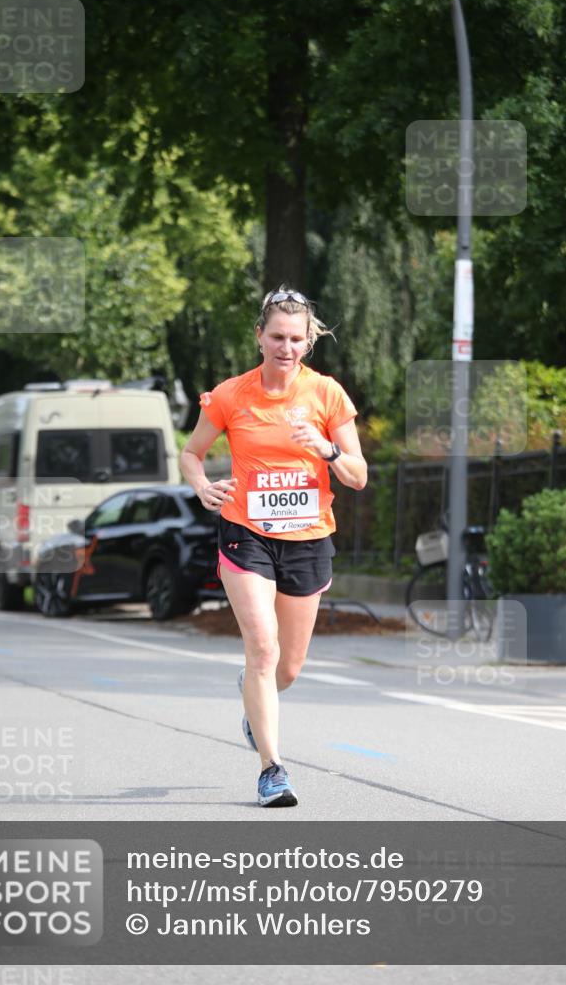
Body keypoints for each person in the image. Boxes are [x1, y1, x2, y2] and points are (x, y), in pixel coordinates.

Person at [180, 286, 367, 807]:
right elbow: (191, 453)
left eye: (296, 339)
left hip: (308, 539)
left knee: (287, 667)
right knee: (263, 648)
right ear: (259, 336)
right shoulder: (231, 395)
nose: (286, 347)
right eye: (277, 337)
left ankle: (253, 693)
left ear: (309, 342)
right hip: (246, 534)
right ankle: (272, 770)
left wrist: (326, 449)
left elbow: (358, 476)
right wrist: (202, 487)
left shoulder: (327, 394)